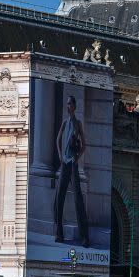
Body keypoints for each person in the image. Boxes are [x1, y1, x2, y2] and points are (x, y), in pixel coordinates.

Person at [54, 95, 90, 247]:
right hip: (65, 164)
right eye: (67, 104)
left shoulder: (77, 123)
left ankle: (84, 237)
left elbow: (84, 145)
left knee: (78, 200)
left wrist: (77, 158)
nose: (68, 106)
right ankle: (59, 233)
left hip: (73, 164)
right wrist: (60, 155)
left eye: (70, 104)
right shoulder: (64, 122)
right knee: (59, 198)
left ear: (74, 106)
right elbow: (58, 140)